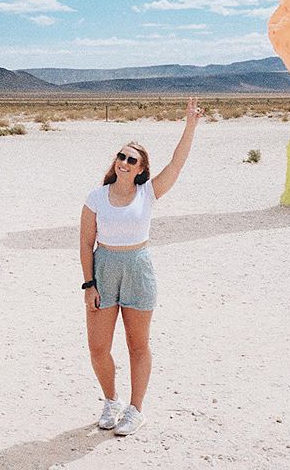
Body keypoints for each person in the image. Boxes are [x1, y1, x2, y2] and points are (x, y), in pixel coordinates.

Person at [79, 97, 203, 436]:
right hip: (104, 269)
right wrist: (89, 284)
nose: (123, 162)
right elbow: (85, 243)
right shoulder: (96, 197)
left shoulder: (148, 193)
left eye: (131, 159)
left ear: (140, 168)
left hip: (138, 269)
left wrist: (190, 125)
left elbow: (177, 164)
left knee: (138, 344)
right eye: (120, 156)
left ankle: (136, 410)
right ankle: (110, 401)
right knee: (98, 347)